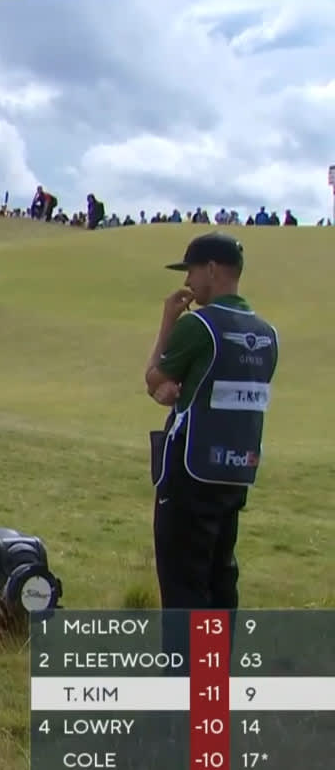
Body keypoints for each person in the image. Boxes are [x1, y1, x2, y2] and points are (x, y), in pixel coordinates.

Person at [143, 233, 276, 659]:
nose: (188, 281)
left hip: (189, 474)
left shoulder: (198, 326)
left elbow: (155, 378)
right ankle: (212, 683)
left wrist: (168, 320)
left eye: (192, 270)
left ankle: (183, 689)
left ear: (213, 269)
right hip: (235, 473)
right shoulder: (267, 334)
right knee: (221, 580)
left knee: (184, 586)